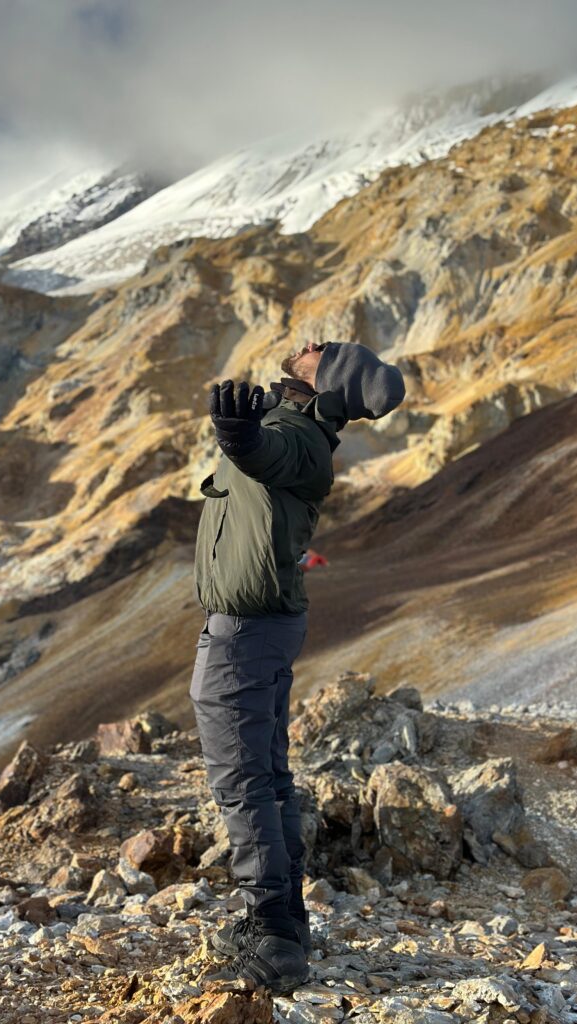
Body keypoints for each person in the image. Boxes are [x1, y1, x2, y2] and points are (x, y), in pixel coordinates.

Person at [190, 340, 405, 993]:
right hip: (259, 627)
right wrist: (249, 427)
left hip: (246, 634)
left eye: (326, 350)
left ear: (329, 380)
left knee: (243, 783)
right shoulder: (292, 426)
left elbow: (266, 456)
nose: (313, 341)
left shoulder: (302, 440)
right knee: (270, 778)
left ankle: (275, 937)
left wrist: (240, 436)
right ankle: (285, 921)